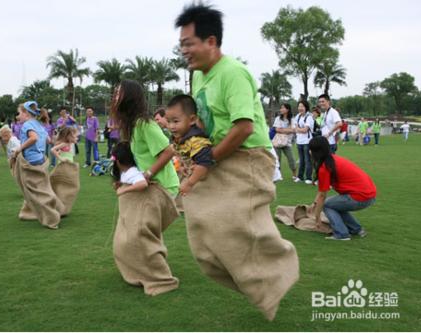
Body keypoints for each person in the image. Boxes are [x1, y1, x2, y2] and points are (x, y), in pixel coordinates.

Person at [175, 3, 298, 321]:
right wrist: (190, 150)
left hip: (248, 157)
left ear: (211, 41)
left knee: (235, 228)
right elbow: (204, 124)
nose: (184, 51)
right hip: (218, 156)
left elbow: (244, 127)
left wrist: (207, 159)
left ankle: (280, 267)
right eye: (181, 45)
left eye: (189, 43)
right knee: (203, 236)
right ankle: (258, 280)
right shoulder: (200, 79)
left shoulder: (232, 73)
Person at [111, 79, 180, 296]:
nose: (115, 96)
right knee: (140, 230)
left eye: (118, 93)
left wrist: (148, 174)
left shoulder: (144, 124)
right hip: (150, 185)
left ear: (128, 97)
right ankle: (146, 266)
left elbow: (169, 151)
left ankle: (160, 280)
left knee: (139, 232)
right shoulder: (133, 125)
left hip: (163, 185)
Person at [308, 136, 376, 240]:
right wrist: (314, 203)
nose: (309, 152)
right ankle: (356, 229)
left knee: (327, 205)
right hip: (369, 195)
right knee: (335, 204)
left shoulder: (325, 167)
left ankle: (341, 234)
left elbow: (322, 196)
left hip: (361, 196)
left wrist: (317, 218)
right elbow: (321, 192)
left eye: (311, 150)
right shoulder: (333, 160)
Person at [13, 101, 62, 229]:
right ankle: (28, 212)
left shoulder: (27, 124)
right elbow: (49, 141)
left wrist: (19, 149)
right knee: (36, 188)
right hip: (41, 159)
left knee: (34, 190)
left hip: (30, 160)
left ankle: (52, 218)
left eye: (19, 113)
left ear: (26, 113)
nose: (18, 117)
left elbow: (33, 138)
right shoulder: (39, 125)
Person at [165, 94, 214, 195]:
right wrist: (183, 166)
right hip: (194, 179)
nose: (171, 126)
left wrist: (189, 183)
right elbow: (180, 154)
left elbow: (204, 163)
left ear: (192, 120)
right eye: (168, 121)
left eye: (175, 121)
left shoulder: (196, 141)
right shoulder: (179, 138)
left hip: (206, 183)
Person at [272, 103, 297, 181]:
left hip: (287, 142)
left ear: (287, 110)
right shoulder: (278, 118)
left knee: (291, 159)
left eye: (283, 108)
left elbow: (293, 130)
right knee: (277, 159)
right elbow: (276, 129)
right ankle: (279, 175)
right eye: (281, 108)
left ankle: (294, 175)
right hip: (278, 142)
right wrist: (287, 130)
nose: (281, 109)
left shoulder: (292, 119)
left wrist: (282, 130)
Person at [293, 100, 314, 184]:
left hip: (307, 141)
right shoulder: (297, 116)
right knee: (301, 160)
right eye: (299, 106)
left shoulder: (309, 116)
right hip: (299, 141)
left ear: (306, 107)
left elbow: (305, 130)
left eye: (302, 106)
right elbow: (295, 128)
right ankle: (300, 176)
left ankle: (308, 177)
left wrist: (298, 129)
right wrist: (299, 129)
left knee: (307, 160)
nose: (300, 108)